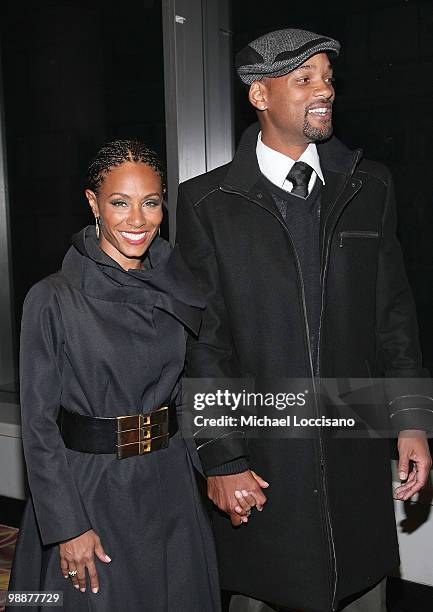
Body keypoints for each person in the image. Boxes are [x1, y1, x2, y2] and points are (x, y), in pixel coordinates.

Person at [176, 29, 433, 612]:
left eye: (328, 78)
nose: (326, 91)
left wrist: (412, 423)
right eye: (305, 79)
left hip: (356, 462)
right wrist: (221, 457)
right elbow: (203, 345)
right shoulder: (206, 205)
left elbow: (395, 318)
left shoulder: (371, 187)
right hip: (263, 466)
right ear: (260, 95)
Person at [7, 140, 220, 611]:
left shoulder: (179, 286)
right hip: (92, 491)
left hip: (170, 487)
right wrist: (67, 525)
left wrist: (220, 467)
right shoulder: (53, 298)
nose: (137, 220)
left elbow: (186, 392)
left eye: (151, 202)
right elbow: (39, 427)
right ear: (93, 204)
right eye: (120, 203)